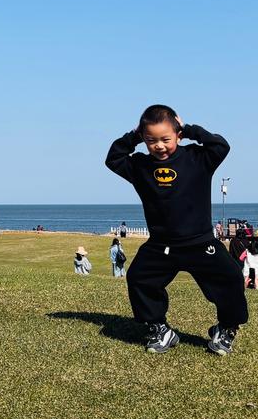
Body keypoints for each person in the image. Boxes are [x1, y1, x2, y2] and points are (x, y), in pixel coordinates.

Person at [106, 104, 248, 356]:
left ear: (178, 134)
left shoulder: (198, 158)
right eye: (151, 140)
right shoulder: (139, 167)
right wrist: (134, 136)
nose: (159, 145)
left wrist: (190, 129)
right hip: (161, 245)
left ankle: (226, 328)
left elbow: (220, 146)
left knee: (230, 279)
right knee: (139, 278)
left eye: (165, 139)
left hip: (200, 242)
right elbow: (114, 158)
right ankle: (160, 329)